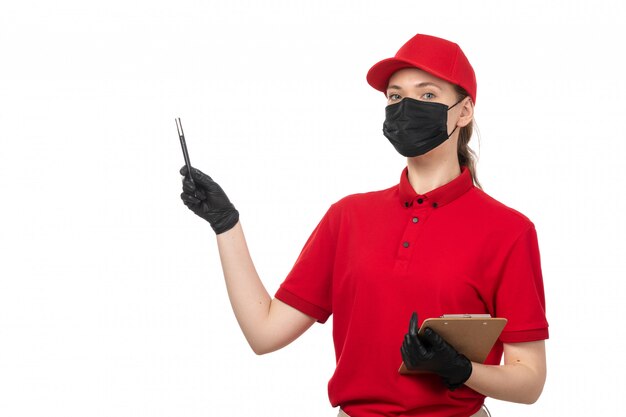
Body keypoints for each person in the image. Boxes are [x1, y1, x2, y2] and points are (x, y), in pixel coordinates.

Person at [179, 33, 548, 417]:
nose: (406, 107)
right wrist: (225, 224)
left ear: (464, 111)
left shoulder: (508, 230)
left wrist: (463, 371)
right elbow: (264, 332)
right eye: (395, 96)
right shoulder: (348, 217)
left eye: (427, 96)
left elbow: (530, 380)